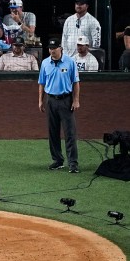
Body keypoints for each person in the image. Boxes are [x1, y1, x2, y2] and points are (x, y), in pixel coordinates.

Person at [38, 38, 80, 173]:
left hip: (65, 100)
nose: (52, 51)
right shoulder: (45, 63)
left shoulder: (70, 62)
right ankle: (57, 160)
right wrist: (40, 100)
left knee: (70, 133)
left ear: (60, 48)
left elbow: (76, 82)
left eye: (54, 48)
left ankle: (73, 163)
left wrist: (76, 100)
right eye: (50, 49)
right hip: (50, 100)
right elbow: (41, 83)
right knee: (53, 132)